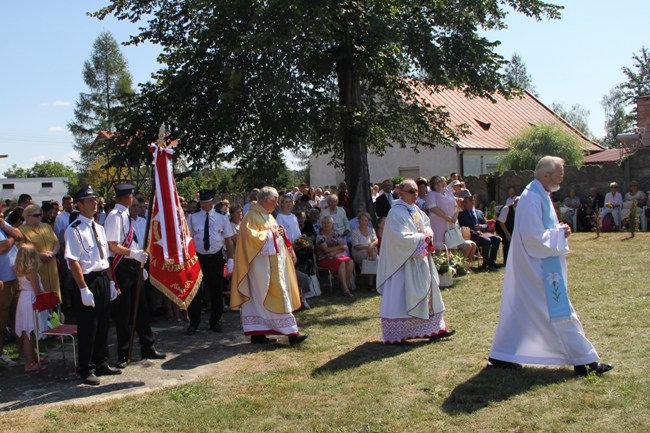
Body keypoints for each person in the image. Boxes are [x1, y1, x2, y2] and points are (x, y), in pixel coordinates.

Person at [488, 156, 613, 376]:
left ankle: (502, 354)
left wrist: (559, 228)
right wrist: (559, 233)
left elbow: (543, 228)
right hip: (538, 267)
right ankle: (584, 360)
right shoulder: (531, 197)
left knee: (521, 310)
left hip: (541, 264)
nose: (562, 178)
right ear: (546, 175)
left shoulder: (540, 193)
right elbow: (533, 237)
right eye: (559, 174)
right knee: (561, 311)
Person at [376, 179, 455, 344]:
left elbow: (427, 224)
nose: (415, 195)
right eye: (411, 191)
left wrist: (428, 233)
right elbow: (399, 238)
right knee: (401, 297)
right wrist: (422, 238)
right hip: (402, 263)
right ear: (400, 192)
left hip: (420, 261)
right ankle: (397, 335)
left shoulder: (415, 209)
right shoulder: (396, 212)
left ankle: (433, 329)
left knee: (429, 291)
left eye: (416, 191)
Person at [230, 187, 308, 345]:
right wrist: (273, 234)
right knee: (276, 296)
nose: (276, 204)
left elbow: (274, 233)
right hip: (259, 268)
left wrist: (279, 233)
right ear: (266, 200)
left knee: (264, 298)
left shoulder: (268, 215)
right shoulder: (251, 217)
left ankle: (258, 333)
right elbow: (251, 240)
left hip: (271, 266)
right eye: (275, 200)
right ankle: (292, 333)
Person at [65, 186, 121, 385]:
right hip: (87, 280)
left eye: (95, 199)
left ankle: (101, 362)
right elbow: (74, 262)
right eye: (89, 200)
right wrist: (82, 288)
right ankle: (86, 368)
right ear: (79, 205)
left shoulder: (99, 227)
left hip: (102, 279)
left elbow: (105, 257)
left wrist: (112, 282)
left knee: (104, 323)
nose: (94, 203)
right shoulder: (74, 230)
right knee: (89, 326)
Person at [104, 184, 165, 368]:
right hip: (121, 266)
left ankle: (148, 346)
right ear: (128, 197)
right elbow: (113, 245)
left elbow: (132, 239)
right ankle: (124, 353)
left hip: (132, 265)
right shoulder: (115, 216)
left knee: (142, 309)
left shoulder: (125, 215)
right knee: (124, 314)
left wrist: (139, 262)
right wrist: (134, 254)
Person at [186, 189, 235, 335]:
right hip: (198, 256)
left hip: (216, 256)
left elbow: (228, 239)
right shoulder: (193, 217)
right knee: (196, 290)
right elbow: (189, 239)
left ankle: (215, 321)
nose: (203, 205)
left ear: (212, 202)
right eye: (202, 202)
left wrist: (230, 259)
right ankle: (194, 322)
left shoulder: (222, 217)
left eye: (206, 202)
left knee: (216, 289)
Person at [13, 244, 48, 371]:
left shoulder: (20, 270)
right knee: (28, 331)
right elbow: (37, 290)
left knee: (28, 331)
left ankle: (33, 355)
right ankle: (29, 362)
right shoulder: (31, 272)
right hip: (31, 300)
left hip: (24, 298)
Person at [19, 204, 61, 300]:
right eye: (36, 215)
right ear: (27, 216)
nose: (39, 217)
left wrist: (53, 253)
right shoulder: (22, 230)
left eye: (40, 215)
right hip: (36, 266)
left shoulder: (46, 226)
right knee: (43, 293)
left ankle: (55, 312)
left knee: (55, 294)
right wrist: (40, 255)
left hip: (51, 263)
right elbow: (22, 248)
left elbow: (56, 242)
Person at [0, 203, 23, 368]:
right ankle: (1, 354)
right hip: (3, 282)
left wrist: (3, 224)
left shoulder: (3, 224)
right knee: (1, 319)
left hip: (15, 278)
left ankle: (25, 350)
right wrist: (12, 239)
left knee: (18, 317)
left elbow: (19, 234)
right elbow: (3, 247)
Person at [458, 195, 502, 270]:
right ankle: (485, 263)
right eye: (469, 201)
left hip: (483, 234)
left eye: (472, 201)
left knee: (497, 239)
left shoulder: (479, 213)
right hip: (472, 235)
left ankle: (492, 261)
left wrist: (481, 226)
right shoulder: (462, 215)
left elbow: (486, 225)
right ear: (465, 203)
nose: (471, 203)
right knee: (487, 241)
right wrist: (475, 231)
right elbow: (463, 227)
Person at [316, 215, 356, 296]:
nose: (326, 224)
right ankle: (345, 290)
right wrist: (340, 247)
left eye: (328, 223)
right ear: (321, 224)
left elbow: (345, 246)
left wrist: (334, 252)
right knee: (341, 263)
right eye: (324, 223)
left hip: (337, 255)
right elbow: (326, 250)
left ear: (332, 224)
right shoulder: (320, 236)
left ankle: (345, 285)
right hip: (324, 258)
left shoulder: (335, 233)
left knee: (350, 261)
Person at [350, 212, 379, 288]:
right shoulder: (354, 231)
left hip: (371, 251)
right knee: (374, 257)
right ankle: (374, 282)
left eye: (365, 220)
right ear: (359, 221)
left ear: (368, 221)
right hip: (358, 252)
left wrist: (371, 246)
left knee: (372, 256)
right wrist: (369, 247)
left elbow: (376, 241)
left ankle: (371, 283)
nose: (363, 222)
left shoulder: (371, 230)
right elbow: (356, 246)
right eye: (362, 220)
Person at [496, 196, 519, 265]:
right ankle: (507, 261)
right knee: (508, 240)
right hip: (502, 228)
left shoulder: (521, 209)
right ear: (514, 202)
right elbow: (501, 222)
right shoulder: (507, 208)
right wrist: (507, 233)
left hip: (512, 228)